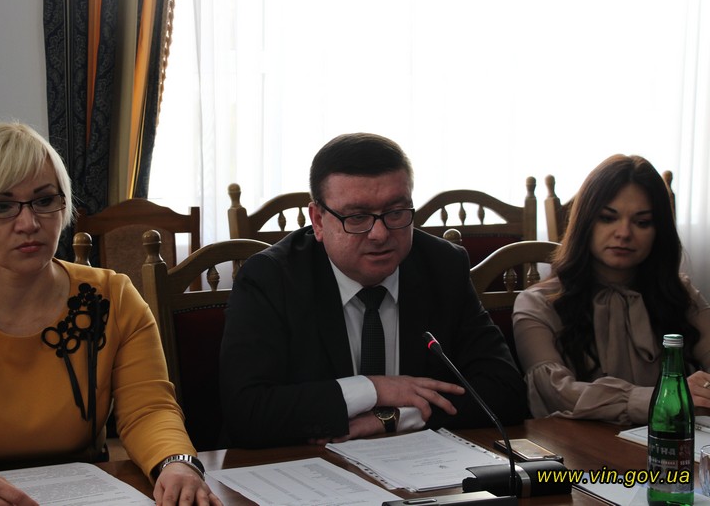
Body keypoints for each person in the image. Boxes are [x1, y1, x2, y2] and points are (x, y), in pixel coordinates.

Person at [0, 122, 221, 506]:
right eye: (1, 206)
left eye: (45, 201)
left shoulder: (113, 297)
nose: (29, 224)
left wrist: (176, 463)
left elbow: (149, 409)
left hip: (89, 493)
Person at [218, 132, 528, 449]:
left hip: (416, 463)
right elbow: (246, 412)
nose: (380, 234)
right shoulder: (272, 279)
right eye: (357, 217)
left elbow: (506, 391)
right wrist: (373, 389)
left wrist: (395, 417)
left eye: (395, 213)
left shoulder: (442, 266)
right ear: (318, 221)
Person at [512, 154, 710, 425]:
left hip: (674, 443)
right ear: (585, 222)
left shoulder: (680, 293)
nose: (624, 233)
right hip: (577, 447)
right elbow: (555, 393)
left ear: (659, 231)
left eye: (642, 222)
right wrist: (664, 399)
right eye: (608, 218)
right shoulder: (537, 303)